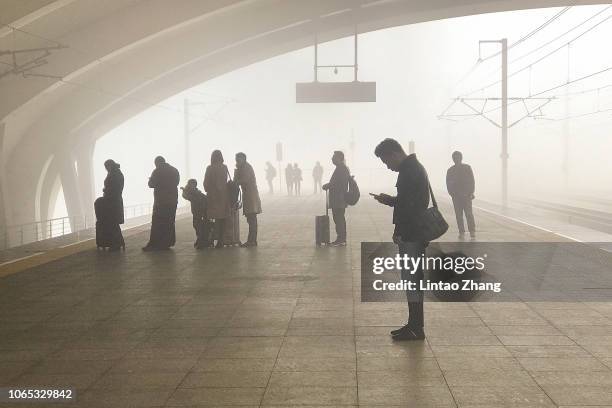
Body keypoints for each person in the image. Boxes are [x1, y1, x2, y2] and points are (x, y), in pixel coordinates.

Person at [372, 138, 429, 341]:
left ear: (394, 154)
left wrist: (399, 231)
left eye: (387, 162)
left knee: (412, 280)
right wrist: (388, 200)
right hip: (414, 232)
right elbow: (407, 201)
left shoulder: (409, 171)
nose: (388, 167)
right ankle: (414, 325)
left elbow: (409, 208)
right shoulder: (413, 168)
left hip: (412, 234)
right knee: (412, 280)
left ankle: (416, 327)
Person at [143, 156, 180, 251]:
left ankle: (154, 244)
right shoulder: (174, 170)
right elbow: (176, 182)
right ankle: (167, 243)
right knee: (169, 222)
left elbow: (151, 184)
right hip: (172, 200)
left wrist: (151, 179)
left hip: (161, 201)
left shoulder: (157, 171)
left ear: (157, 163)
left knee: (157, 223)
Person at [446, 151, 476, 240]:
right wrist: (452, 194)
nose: (456, 159)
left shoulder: (466, 168)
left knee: (468, 214)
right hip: (458, 196)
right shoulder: (451, 170)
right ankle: (463, 231)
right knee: (460, 215)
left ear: (461, 158)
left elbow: (472, 181)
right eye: (455, 158)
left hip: (466, 195)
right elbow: (448, 184)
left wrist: (471, 192)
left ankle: (471, 231)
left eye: (457, 157)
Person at [322, 151, 350, 246]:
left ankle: (341, 239)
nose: (332, 159)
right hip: (338, 198)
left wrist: (328, 185)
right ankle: (341, 238)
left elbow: (339, 183)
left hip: (339, 198)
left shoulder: (341, 169)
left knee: (339, 219)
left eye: (334, 157)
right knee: (338, 218)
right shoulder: (341, 168)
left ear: (339, 158)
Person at [204, 150, 230, 248]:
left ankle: (211, 239)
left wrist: (208, 190)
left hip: (213, 196)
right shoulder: (224, 167)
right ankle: (221, 240)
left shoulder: (210, 168)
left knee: (213, 219)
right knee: (222, 218)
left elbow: (206, 183)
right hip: (223, 196)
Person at [235, 152, 262, 247]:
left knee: (252, 219)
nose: (237, 161)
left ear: (244, 159)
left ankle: (252, 241)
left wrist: (236, 180)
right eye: (236, 159)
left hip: (251, 196)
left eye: (238, 159)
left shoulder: (246, 168)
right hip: (249, 195)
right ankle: (251, 240)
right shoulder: (242, 168)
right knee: (251, 219)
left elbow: (244, 180)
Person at [101, 159, 125, 251]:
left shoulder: (114, 174)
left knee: (112, 222)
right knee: (113, 223)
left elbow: (112, 188)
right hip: (114, 200)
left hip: (112, 201)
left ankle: (115, 244)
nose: (106, 169)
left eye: (106, 167)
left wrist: (105, 190)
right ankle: (117, 243)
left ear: (109, 166)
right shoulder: (117, 173)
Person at [181, 179, 209, 249]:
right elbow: (186, 196)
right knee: (198, 226)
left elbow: (186, 196)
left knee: (198, 226)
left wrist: (185, 190)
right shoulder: (195, 192)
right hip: (198, 212)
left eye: (190, 184)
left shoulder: (196, 193)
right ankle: (201, 240)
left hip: (200, 212)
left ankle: (201, 241)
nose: (189, 185)